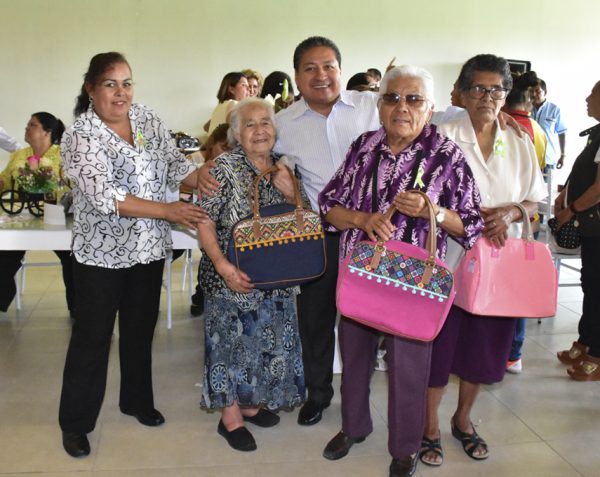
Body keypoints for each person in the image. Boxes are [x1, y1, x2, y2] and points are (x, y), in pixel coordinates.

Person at [198, 36, 380, 427]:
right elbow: (240, 148)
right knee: (314, 321)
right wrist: (200, 173)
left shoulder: (370, 107)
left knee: (364, 323)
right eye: (310, 68)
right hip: (317, 238)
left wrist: (490, 112)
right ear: (296, 76)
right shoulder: (282, 124)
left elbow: (424, 115)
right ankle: (317, 396)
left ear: (341, 70)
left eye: (328, 65)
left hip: (369, 237)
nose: (321, 75)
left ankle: (359, 402)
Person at [319, 65, 484, 477]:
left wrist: (436, 211)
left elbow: (472, 224)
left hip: (414, 284)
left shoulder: (447, 157)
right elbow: (327, 205)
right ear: (380, 105)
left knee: (410, 368)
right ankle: (354, 427)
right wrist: (362, 219)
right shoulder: (363, 147)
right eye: (392, 98)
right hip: (361, 274)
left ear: (430, 109)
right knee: (354, 358)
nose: (401, 107)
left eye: (413, 99)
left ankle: (405, 449)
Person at [58, 52, 207, 459]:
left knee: (141, 330)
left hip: (147, 249)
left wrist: (211, 177)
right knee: (93, 338)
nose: (120, 93)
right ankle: (75, 423)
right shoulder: (80, 135)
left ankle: (136, 400)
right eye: (110, 84)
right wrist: (169, 210)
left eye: (127, 82)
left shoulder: (146, 119)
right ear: (91, 89)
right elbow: (107, 197)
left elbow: (177, 166)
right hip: (100, 256)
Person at [421, 54, 546, 467]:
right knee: (439, 345)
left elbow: (533, 197)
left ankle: (463, 419)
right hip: (448, 257)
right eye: (478, 88)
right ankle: (429, 427)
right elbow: (424, 193)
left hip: (499, 262)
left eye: (496, 89)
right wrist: (471, 221)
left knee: (484, 345)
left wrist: (510, 213)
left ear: (507, 93)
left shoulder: (520, 139)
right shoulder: (441, 133)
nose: (487, 97)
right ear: (461, 92)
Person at [197, 98, 306, 452]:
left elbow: (304, 222)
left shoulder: (285, 166)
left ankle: (249, 402)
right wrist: (223, 267)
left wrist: (295, 194)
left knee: (266, 342)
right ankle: (230, 417)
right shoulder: (221, 168)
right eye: (250, 125)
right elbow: (203, 222)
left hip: (276, 278)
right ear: (235, 134)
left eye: (265, 123)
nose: (259, 131)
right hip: (232, 275)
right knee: (229, 344)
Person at [0, 112, 75, 315]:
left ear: (46, 132)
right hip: (21, 219)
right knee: (4, 254)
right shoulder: (18, 155)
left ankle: (79, 310)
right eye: (27, 124)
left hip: (58, 218)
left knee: (72, 258)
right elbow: (4, 182)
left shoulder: (63, 155)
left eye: (32, 125)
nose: (27, 128)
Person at [555, 80, 600, 381]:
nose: (587, 98)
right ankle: (585, 341)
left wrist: (571, 210)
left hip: (595, 222)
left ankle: (596, 354)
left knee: (598, 289)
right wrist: (564, 195)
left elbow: (598, 189)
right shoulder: (595, 134)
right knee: (590, 285)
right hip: (590, 225)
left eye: (594, 94)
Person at [503, 72, 548, 374]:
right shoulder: (538, 129)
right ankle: (513, 353)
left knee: (506, 289)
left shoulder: (509, 130)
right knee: (515, 287)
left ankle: (510, 351)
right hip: (526, 217)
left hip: (509, 219)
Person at [189, 123, 232, 317]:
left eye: (231, 149)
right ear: (212, 143)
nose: (226, 154)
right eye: (223, 148)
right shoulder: (197, 163)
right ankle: (202, 296)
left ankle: (201, 296)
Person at [532, 77, 567, 170]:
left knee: (545, 184)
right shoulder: (526, 108)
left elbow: (562, 132)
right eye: (532, 91)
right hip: (529, 158)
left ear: (545, 92)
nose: (534, 94)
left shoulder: (554, 110)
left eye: (537, 91)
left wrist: (563, 154)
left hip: (547, 159)